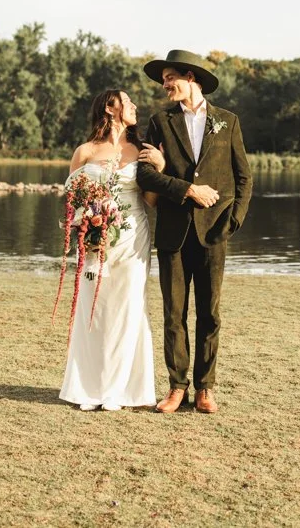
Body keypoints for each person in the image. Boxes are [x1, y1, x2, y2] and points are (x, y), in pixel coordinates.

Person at [136, 50, 253, 414]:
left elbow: (243, 177)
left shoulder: (227, 122)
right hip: (173, 231)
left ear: (191, 77)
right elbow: (146, 175)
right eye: (164, 80)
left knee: (209, 314)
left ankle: (205, 388)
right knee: (173, 313)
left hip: (214, 233)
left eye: (170, 77)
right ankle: (176, 388)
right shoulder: (159, 121)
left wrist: (231, 222)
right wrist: (187, 189)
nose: (165, 85)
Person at [58, 90, 161, 411]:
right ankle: (89, 388)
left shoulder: (143, 151)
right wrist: (84, 223)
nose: (134, 106)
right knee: (94, 308)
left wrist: (160, 165)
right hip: (94, 240)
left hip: (132, 238)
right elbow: (71, 198)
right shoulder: (85, 151)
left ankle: (121, 391)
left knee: (129, 307)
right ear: (109, 107)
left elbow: (151, 201)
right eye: (127, 101)